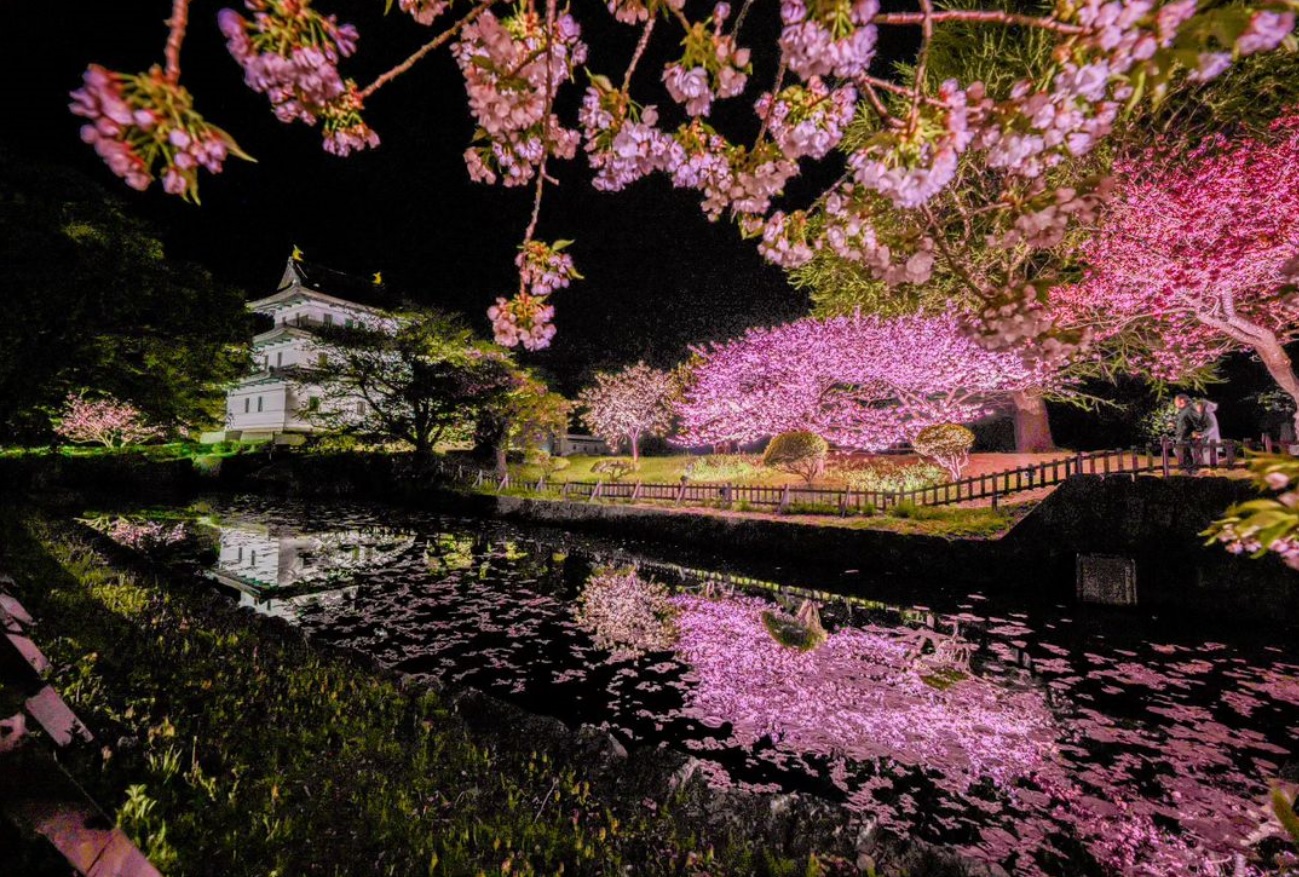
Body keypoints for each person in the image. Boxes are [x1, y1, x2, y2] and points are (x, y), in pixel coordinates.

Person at [1172, 393, 1207, 474]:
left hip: (1186, 440)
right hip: (1183, 439)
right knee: (1180, 453)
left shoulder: (1189, 410)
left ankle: (1192, 473)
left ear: (1182, 401)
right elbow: (1187, 424)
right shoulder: (1185, 410)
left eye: (1175, 401)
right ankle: (1190, 473)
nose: (1175, 403)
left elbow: (1199, 423)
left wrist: (1197, 433)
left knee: (1181, 453)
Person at [1194, 398, 1221, 467]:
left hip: (1210, 439)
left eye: (1198, 406)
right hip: (1206, 439)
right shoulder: (1204, 415)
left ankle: (1212, 470)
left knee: (1210, 457)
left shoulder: (1208, 415)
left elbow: (1211, 427)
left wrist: (1202, 434)